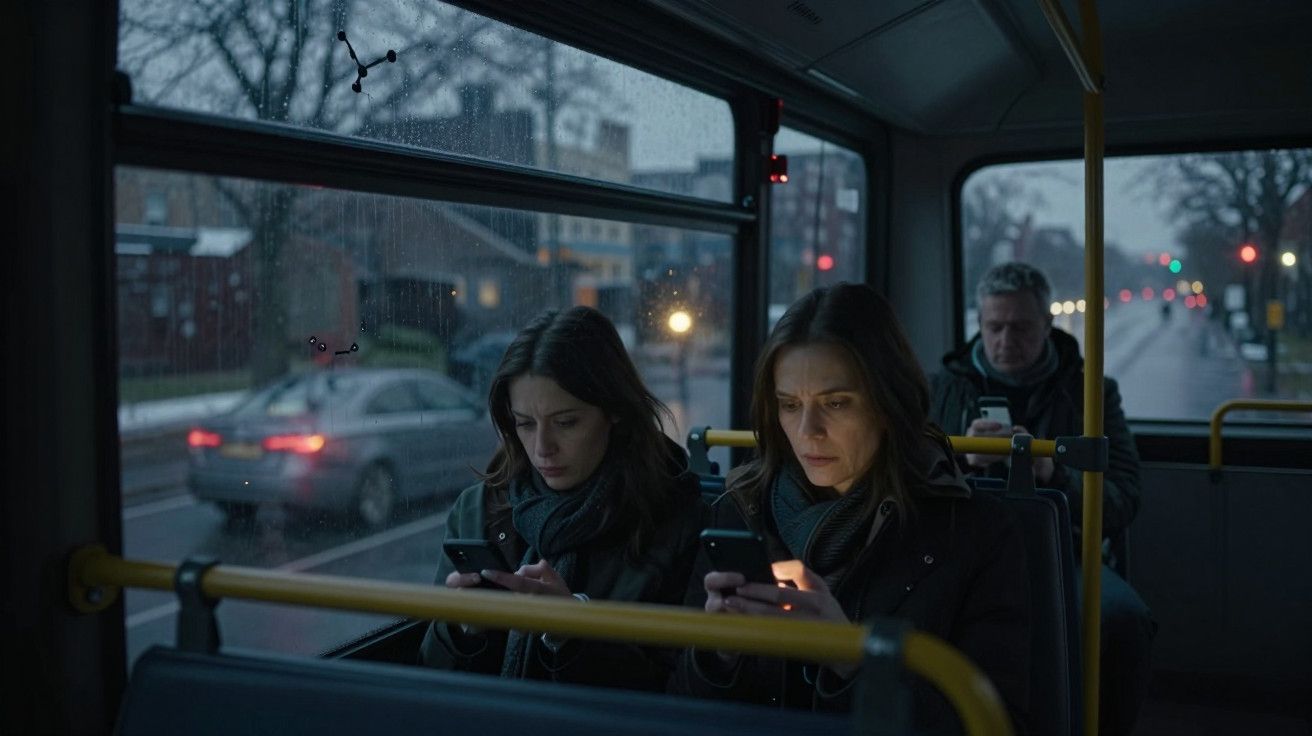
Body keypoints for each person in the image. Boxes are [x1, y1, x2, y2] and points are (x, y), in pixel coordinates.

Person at [673, 283, 1032, 734]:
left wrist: (850, 659)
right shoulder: (738, 511)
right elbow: (679, 705)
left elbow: (998, 722)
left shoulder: (976, 534)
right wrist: (717, 655)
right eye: (789, 405)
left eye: (836, 403)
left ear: (887, 403)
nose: (808, 431)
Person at [418, 306, 706, 692]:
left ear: (615, 410)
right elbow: (429, 681)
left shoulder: (679, 521)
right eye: (525, 424)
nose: (542, 448)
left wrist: (573, 632)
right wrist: (463, 630)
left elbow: (680, 695)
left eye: (566, 422)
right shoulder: (478, 512)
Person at [929, 262, 1154, 736]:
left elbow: (1124, 497)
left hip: (1061, 552)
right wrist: (964, 461)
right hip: (959, 551)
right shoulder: (943, 390)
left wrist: (1054, 473)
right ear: (980, 325)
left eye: (1021, 328)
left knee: (1123, 621)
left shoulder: (1091, 393)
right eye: (994, 327)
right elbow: (909, 481)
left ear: (1048, 325)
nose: (1005, 341)